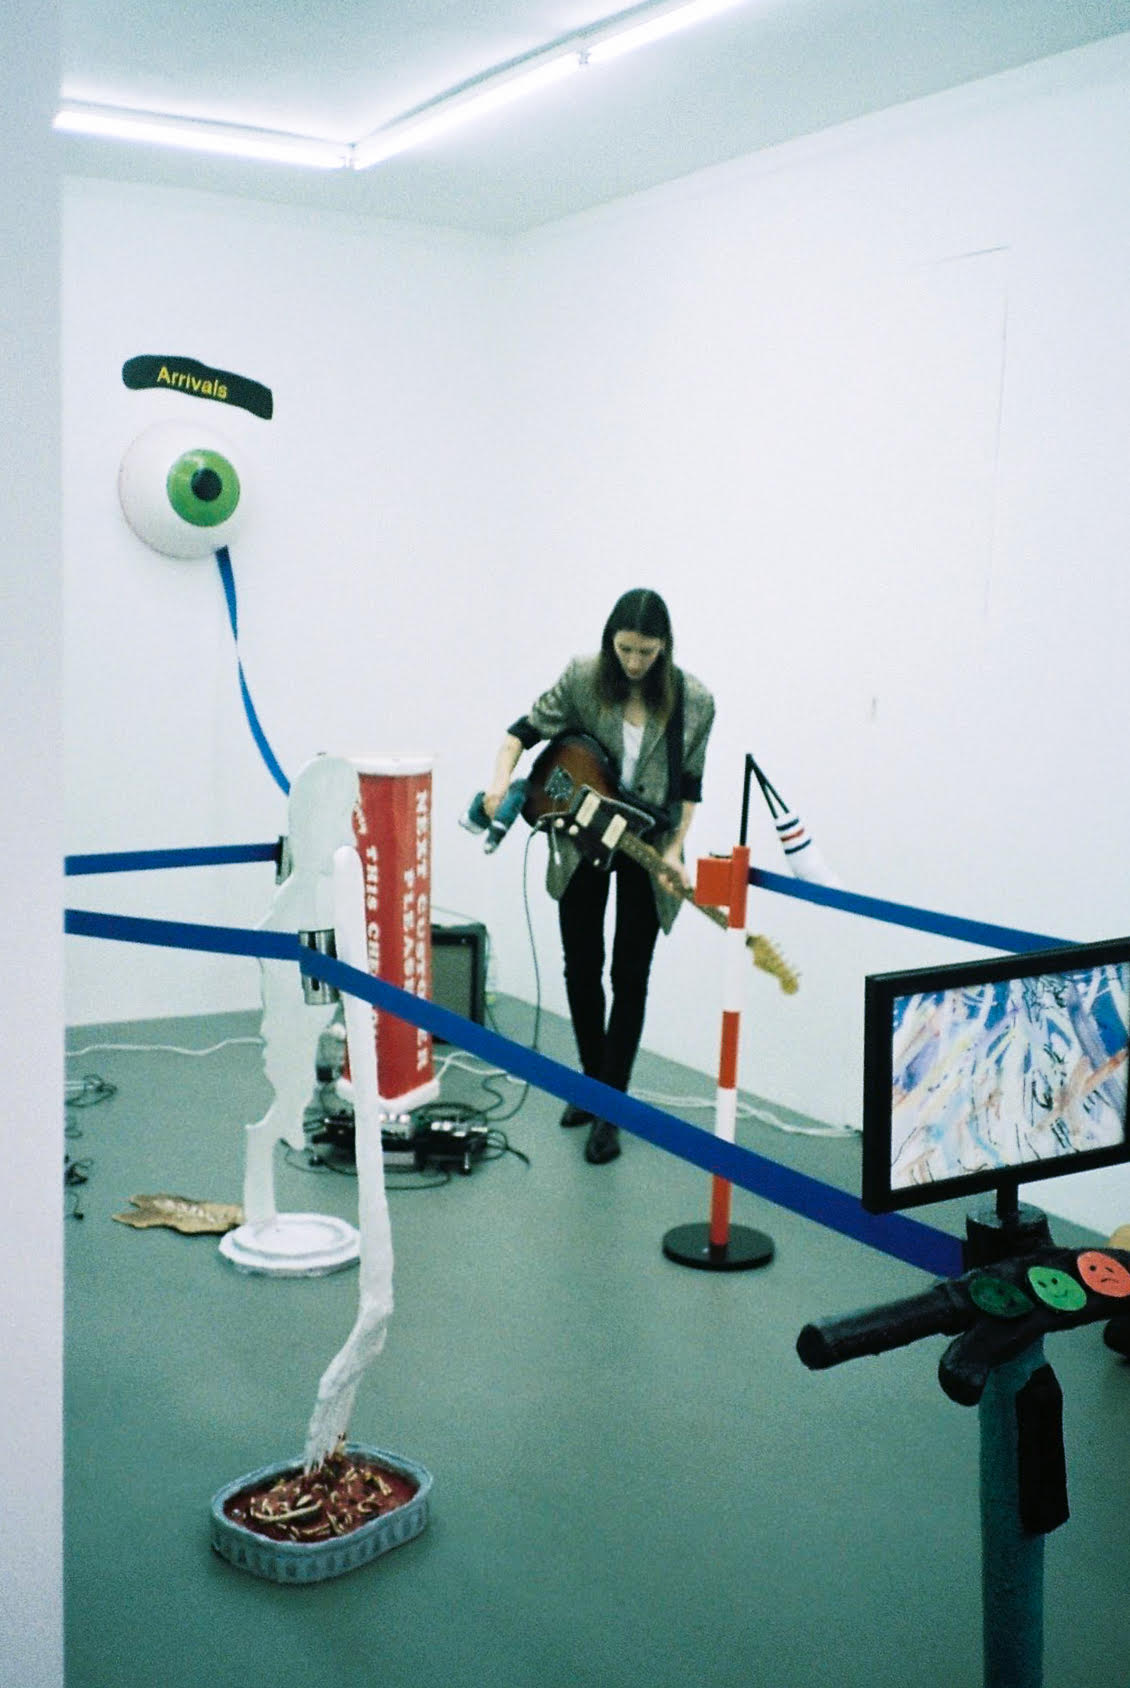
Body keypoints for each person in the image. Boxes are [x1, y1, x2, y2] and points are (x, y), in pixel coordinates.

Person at [482, 588, 714, 1164]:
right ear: (610, 641)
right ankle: (593, 1085)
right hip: (580, 834)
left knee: (630, 973)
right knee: (581, 964)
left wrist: (675, 852)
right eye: (625, 649)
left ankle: (611, 1109)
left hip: (645, 844)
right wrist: (498, 782)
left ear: (665, 647)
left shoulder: (694, 701)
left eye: (646, 652)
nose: (633, 662)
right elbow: (522, 732)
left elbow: (690, 788)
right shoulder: (584, 678)